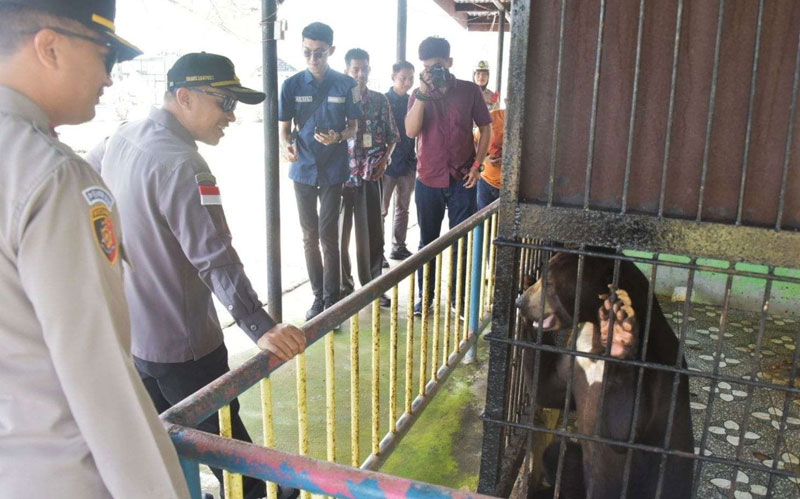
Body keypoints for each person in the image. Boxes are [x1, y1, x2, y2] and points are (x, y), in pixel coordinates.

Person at [92, 52, 306, 499]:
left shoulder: (121, 137)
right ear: (184, 97)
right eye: (224, 102)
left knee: (156, 437)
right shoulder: (185, 166)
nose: (230, 116)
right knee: (224, 443)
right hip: (184, 343)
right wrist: (260, 326)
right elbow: (214, 256)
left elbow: (90, 191)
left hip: (136, 336)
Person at [0, 1, 189, 497]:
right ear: (50, 47)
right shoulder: (52, 176)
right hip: (57, 476)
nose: (110, 77)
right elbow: (100, 378)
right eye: (106, 55)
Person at [279, 22, 362, 321]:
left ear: (331, 51)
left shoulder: (346, 85)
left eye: (320, 53)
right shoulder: (291, 85)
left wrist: (338, 137)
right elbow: (285, 129)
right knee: (308, 235)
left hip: (333, 170)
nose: (313, 59)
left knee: (329, 235)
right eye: (307, 53)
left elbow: (353, 126)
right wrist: (287, 146)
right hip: (302, 169)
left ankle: (332, 299)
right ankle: (317, 297)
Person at [406, 37, 492, 314]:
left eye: (439, 66)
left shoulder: (469, 91)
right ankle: (426, 297)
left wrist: (478, 165)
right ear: (423, 68)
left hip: (462, 179)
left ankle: (457, 298)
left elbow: (486, 128)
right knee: (426, 242)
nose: (435, 72)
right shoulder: (418, 95)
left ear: (450, 63)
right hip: (428, 179)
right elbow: (410, 131)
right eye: (429, 68)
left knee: (461, 242)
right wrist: (421, 91)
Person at [340, 48, 397, 306]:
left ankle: (373, 287)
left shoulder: (379, 100)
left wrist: (385, 159)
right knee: (338, 235)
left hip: (370, 174)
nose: (360, 74)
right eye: (355, 69)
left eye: (364, 68)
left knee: (372, 233)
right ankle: (342, 287)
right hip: (340, 177)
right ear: (346, 71)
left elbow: (393, 136)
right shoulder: (337, 99)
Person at [382, 61, 417, 262]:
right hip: (387, 164)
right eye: (403, 78)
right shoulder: (384, 100)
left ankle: (399, 246)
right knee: (382, 210)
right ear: (393, 77)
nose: (407, 82)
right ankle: (378, 252)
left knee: (403, 207)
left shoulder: (413, 101)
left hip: (408, 162)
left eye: (411, 78)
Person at [477, 104, 505, 209]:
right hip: (486, 181)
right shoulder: (493, 117)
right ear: (507, 101)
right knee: (480, 222)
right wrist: (484, 160)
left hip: (512, 187)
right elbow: (475, 143)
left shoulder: (532, 125)